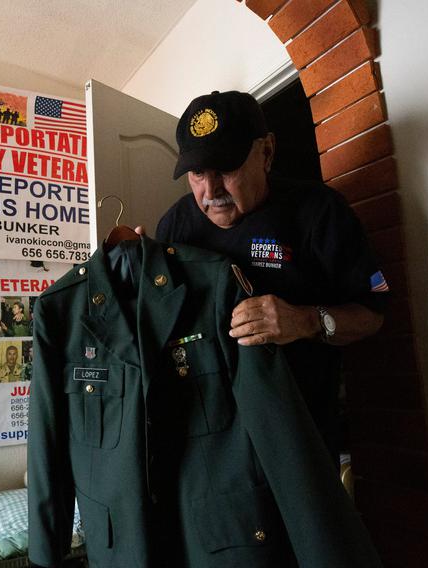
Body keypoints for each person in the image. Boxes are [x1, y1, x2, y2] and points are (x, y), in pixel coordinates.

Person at [154, 90, 388, 458]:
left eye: (226, 168)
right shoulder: (175, 225)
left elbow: (372, 315)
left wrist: (305, 321)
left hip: (298, 433)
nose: (210, 190)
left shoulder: (320, 212)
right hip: (211, 439)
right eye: (198, 172)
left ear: (266, 152)